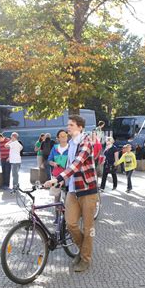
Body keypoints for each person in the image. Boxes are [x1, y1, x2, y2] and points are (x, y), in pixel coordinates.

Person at [44, 115, 98, 273]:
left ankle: (86, 259)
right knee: (71, 223)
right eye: (68, 125)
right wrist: (62, 182)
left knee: (88, 228)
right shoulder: (70, 145)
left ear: (80, 127)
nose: (68, 127)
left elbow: (77, 164)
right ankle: (83, 251)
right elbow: (68, 164)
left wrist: (58, 178)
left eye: (71, 125)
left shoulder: (86, 141)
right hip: (72, 190)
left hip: (87, 190)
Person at [48, 129, 69, 210]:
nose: (63, 137)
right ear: (58, 138)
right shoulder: (55, 147)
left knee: (67, 197)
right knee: (57, 196)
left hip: (68, 176)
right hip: (56, 176)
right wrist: (53, 163)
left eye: (65, 135)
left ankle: (67, 216)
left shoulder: (71, 147)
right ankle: (57, 217)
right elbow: (49, 160)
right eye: (61, 136)